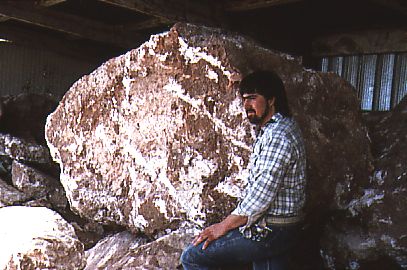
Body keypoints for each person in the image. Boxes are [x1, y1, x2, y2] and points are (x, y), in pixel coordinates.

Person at [180, 70, 307, 270]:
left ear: (272, 100)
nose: (247, 105)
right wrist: (241, 83)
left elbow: (260, 198)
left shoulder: (278, 137)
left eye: (253, 99)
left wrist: (222, 227)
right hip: (280, 226)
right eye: (244, 99)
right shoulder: (278, 126)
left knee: (193, 257)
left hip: (272, 230)